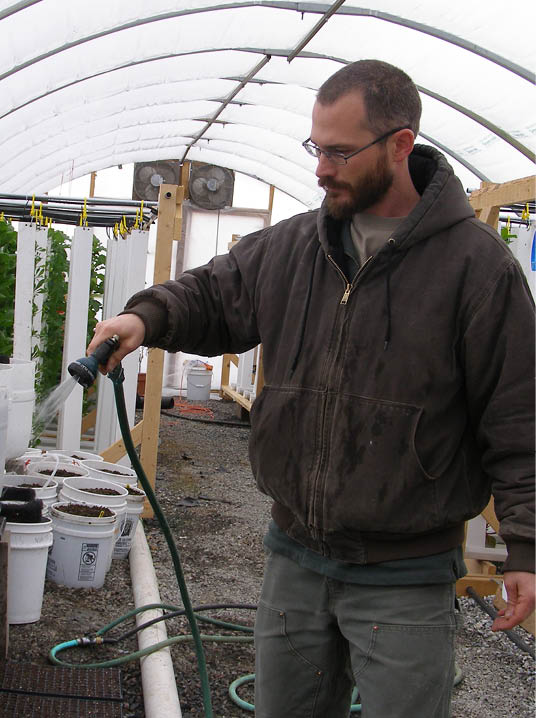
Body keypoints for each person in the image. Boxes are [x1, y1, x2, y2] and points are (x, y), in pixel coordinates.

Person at [88, 59, 535, 717]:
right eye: (316, 147)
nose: (321, 167)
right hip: (294, 557)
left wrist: (525, 547)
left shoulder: (475, 269)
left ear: (400, 145)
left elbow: (519, 416)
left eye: (340, 151)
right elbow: (216, 293)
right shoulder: (297, 246)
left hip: (404, 577)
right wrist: (143, 316)